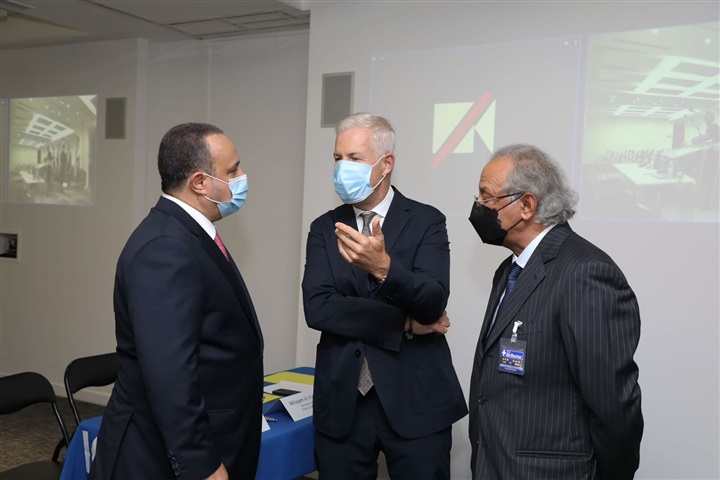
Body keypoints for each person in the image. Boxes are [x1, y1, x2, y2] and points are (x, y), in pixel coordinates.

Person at [90, 123, 264, 480]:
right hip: (158, 456)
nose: (241, 177)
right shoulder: (165, 248)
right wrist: (200, 462)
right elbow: (169, 372)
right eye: (232, 170)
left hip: (219, 431)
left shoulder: (189, 233)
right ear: (200, 182)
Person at [302, 113, 467, 479]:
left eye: (354, 158)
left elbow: (433, 301)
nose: (342, 167)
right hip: (343, 401)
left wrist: (384, 268)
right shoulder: (324, 228)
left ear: (386, 163)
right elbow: (319, 308)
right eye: (337, 158)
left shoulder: (427, 221)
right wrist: (405, 324)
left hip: (416, 398)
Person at [467, 144, 643, 480]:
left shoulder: (585, 273)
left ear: (526, 205)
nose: (478, 205)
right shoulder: (508, 271)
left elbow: (612, 404)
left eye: (486, 196)